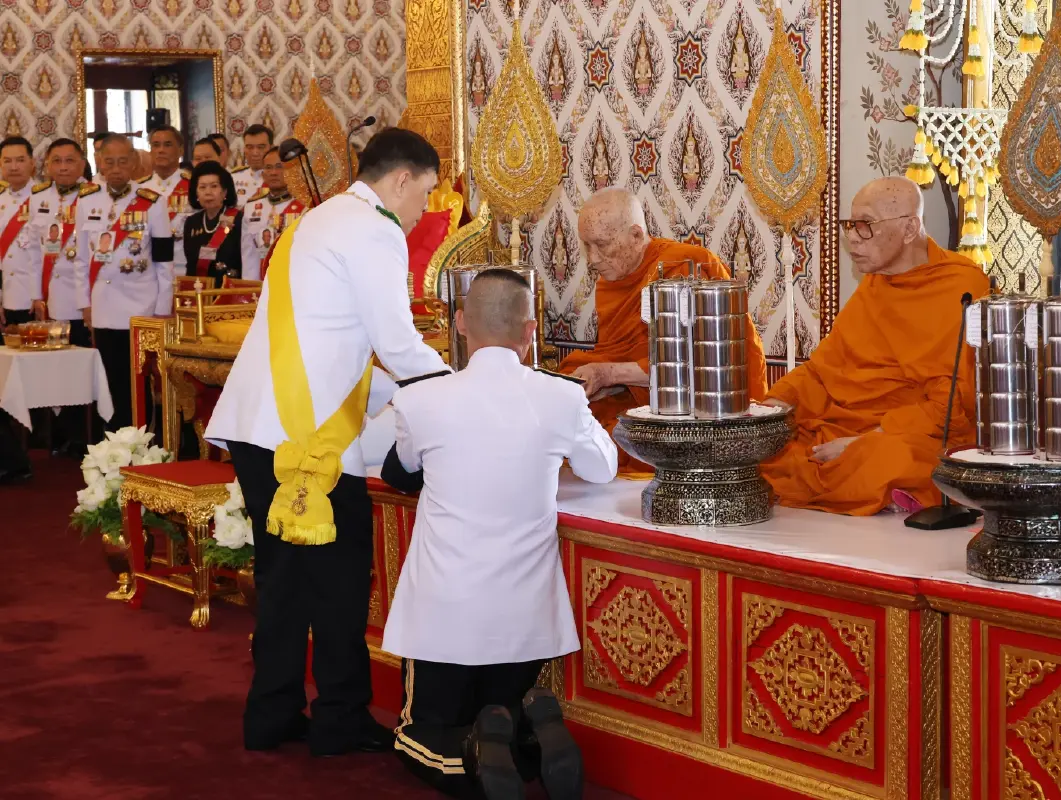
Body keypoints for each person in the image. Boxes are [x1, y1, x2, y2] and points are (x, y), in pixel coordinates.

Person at [204, 127, 449, 757]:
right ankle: (340, 716)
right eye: (423, 194)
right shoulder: (375, 229)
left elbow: (328, 340)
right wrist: (462, 391)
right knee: (339, 581)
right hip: (304, 442)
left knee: (284, 578)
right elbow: (395, 343)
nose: (422, 209)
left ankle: (272, 713)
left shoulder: (316, 219)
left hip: (264, 426)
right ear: (401, 180)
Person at [382, 269, 616, 800]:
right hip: (524, 619)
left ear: (461, 323)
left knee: (415, 739)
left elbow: (401, 470)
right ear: (530, 331)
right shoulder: (560, 397)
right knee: (501, 717)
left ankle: (475, 758)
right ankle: (528, 748)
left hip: (444, 614)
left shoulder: (421, 400)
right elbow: (602, 469)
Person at [758, 177, 989, 514]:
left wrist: (864, 441)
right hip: (846, 424)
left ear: (910, 229)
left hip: (912, 435)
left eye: (865, 225)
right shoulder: (875, 285)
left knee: (892, 460)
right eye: (850, 225)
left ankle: (883, 485)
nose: (852, 236)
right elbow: (824, 371)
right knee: (767, 451)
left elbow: (950, 408)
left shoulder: (961, 286)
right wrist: (773, 409)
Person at [559, 186, 768, 476]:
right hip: (641, 403)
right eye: (586, 246)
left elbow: (696, 369)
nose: (592, 259)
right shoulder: (611, 281)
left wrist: (608, 374)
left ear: (635, 235)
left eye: (602, 245)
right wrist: (600, 382)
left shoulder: (684, 268)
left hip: (698, 412)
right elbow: (624, 357)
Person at [74, 134, 174, 431]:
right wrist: (84, 303)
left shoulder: (153, 202)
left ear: (134, 163)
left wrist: (161, 309)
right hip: (103, 306)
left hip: (140, 306)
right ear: (100, 163)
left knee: (138, 383)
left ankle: (140, 442)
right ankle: (112, 443)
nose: (116, 168)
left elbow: (164, 261)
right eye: (109, 162)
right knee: (109, 379)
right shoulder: (87, 200)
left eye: (122, 161)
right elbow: (80, 258)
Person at [32, 137, 93, 458]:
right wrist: (35, 295)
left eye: (70, 160)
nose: (64, 167)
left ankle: (85, 436)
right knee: (56, 368)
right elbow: (31, 250)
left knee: (83, 367)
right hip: (52, 297)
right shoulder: (38, 197)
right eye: (57, 161)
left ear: (82, 164)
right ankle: (60, 435)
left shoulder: (94, 197)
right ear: (47, 166)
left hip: (84, 299)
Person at [241, 146, 305, 280]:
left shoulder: (304, 206)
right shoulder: (251, 207)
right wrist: (250, 287)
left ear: (292, 170)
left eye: (279, 167)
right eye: (268, 168)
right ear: (263, 173)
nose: (274, 172)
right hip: (261, 281)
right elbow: (249, 254)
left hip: (293, 278)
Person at [137, 126, 190, 275]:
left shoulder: (194, 187)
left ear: (181, 150)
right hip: (147, 269)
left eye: (167, 145)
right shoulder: (139, 189)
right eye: (155, 145)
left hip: (183, 267)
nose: (160, 150)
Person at [0, 136, 41, 328]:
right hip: (6, 297)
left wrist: (39, 296)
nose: (14, 167)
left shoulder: (45, 199)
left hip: (37, 300)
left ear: (32, 163)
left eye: (20, 160)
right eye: (7, 161)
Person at [183, 161, 242, 283]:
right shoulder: (191, 222)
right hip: (200, 292)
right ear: (196, 193)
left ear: (224, 192)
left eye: (214, 186)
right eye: (202, 187)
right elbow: (190, 267)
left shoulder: (238, 219)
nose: (208, 192)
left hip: (229, 292)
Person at [232, 124, 272, 204]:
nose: (255, 153)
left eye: (261, 147)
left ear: (271, 148)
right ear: (244, 149)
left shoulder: (282, 178)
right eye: (250, 147)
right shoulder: (232, 178)